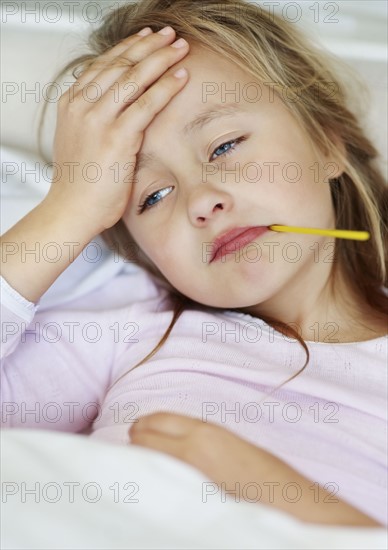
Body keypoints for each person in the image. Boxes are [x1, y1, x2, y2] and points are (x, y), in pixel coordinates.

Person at [1, 0, 387, 528]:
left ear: (327, 142)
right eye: (153, 197)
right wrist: (70, 207)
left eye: (225, 145)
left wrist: (283, 493)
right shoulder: (133, 332)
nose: (201, 200)